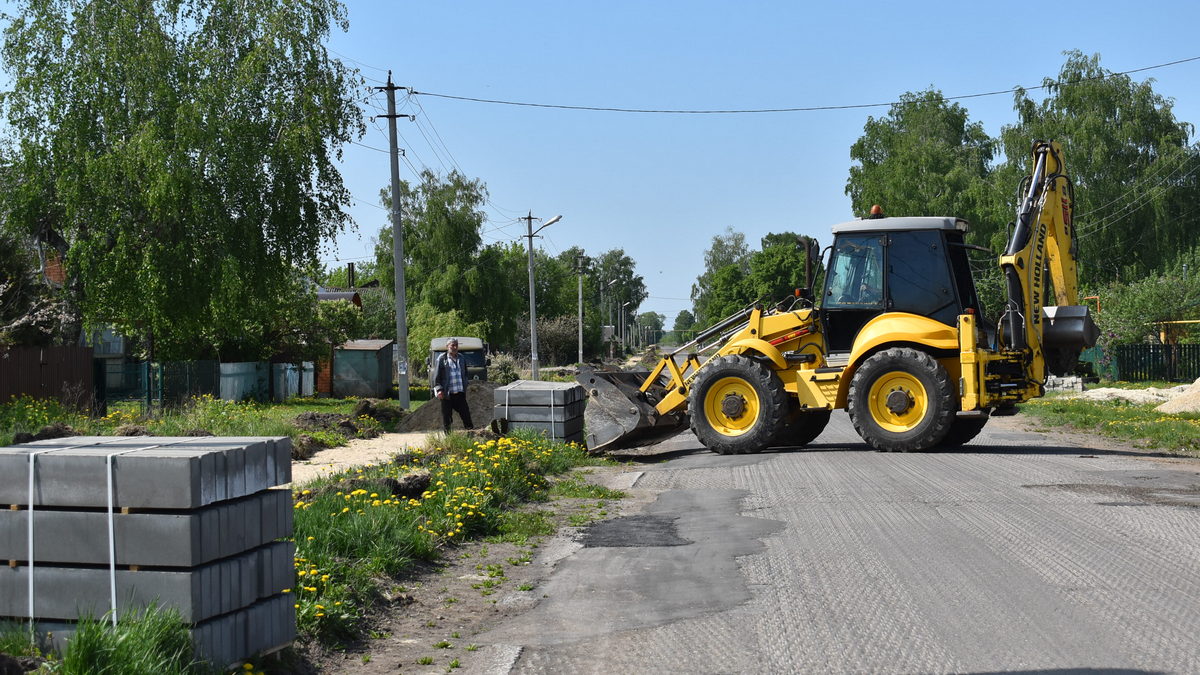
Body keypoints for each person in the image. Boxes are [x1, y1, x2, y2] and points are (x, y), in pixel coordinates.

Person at [431, 338, 474, 434]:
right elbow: (436, 377)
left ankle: (472, 435)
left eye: (456, 345)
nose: (454, 347)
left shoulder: (461, 358)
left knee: (466, 415)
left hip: (460, 393)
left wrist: (466, 383)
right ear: (447, 347)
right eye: (452, 345)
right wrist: (439, 389)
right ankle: (448, 438)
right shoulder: (442, 359)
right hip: (447, 395)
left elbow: (465, 373)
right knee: (447, 418)